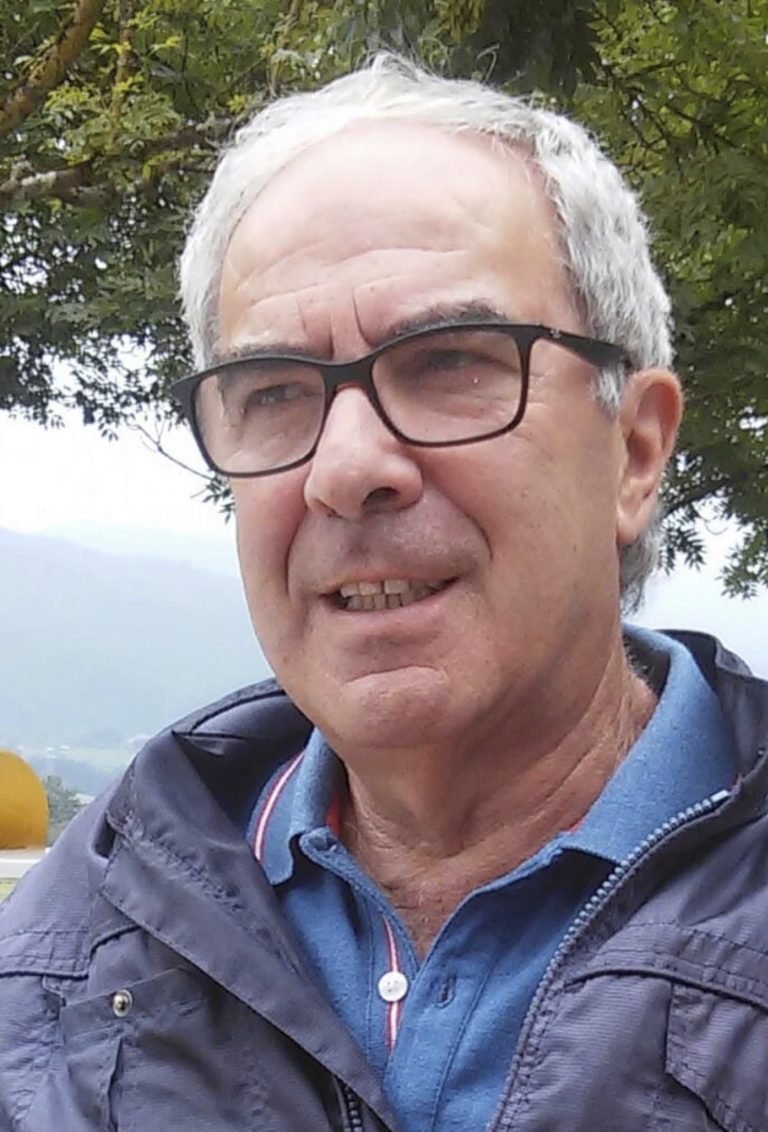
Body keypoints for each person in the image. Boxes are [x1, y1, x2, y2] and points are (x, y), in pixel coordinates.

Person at [1, 53, 766, 1132]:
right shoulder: (59, 966)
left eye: (450, 362)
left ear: (634, 453)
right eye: (274, 390)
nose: (347, 466)